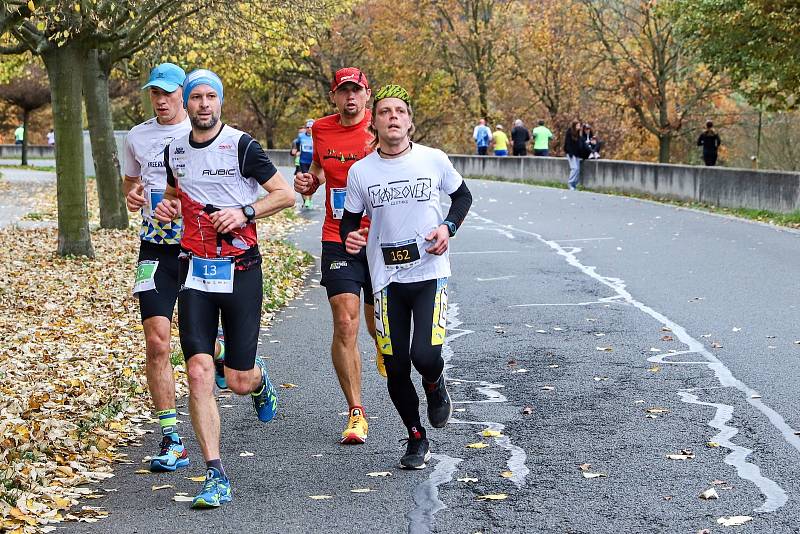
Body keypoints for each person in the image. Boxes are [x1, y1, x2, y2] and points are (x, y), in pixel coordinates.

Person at [154, 68, 295, 508]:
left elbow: (285, 194)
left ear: (219, 101)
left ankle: (257, 379)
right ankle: (215, 473)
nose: (202, 105)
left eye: (209, 97)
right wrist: (165, 207)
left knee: (235, 379)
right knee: (197, 369)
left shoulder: (241, 145)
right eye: (195, 97)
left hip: (241, 269)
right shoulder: (174, 150)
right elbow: (177, 194)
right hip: (194, 271)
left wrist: (245, 211)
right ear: (187, 103)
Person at [340, 84, 472, 469]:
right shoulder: (361, 171)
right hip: (386, 280)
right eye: (384, 112)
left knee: (425, 356)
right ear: (374, 122)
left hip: (429, 272)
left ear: (410, 122)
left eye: (399, 111)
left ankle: (435, 384)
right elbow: (350, 223)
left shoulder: (433, 160)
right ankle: (416, 438)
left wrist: (447, 227)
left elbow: (463, 198)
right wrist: (353, 237)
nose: (392, 117)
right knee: (395, 365)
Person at [123, 63, 219, 475]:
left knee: (209, 352)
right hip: (155, 248)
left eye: (168, 93)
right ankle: (171, 438)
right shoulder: (137, 136)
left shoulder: (202, 134)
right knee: (158, 341)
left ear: (184, 93)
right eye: (154, 93)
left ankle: (250, 367)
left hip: (198, 249)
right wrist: (133, 197)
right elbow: (130, 183)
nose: (160, 100)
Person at [293, 67, 380, 445]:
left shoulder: (381, 129)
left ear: (366, 94)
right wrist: (309, 182)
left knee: (380, 326)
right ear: (334, 96)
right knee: (346, 322)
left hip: (379, 238)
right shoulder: (321, 130)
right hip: (337, 237)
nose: (350, 98)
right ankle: (356, 412)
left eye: (356, 91)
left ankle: (382, 346)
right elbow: (316, 171)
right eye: (343, 91)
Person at [294, 119, 315, 209]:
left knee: (311, 182)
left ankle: (309, 200)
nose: (309, 129)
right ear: (306, 128)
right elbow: (297, 144)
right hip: (303, 162)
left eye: (311, 127)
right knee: (303, 181)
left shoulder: (317, 136)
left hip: (313, 163)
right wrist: (297, 151)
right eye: (308, 127)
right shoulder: (301, 136)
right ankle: (305, 200)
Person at [564, 120, 583, 190]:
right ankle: (570, 182)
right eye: (578, 125)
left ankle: (574, 184)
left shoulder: (578, 134)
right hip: (571, 153)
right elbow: (567, 143)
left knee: (578, 169)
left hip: (577, 154)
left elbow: (579, 144)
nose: (579, 127)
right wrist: (570, 152)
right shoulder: (569, 132)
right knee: (574, 168)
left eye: (579, 125)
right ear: (574, 126)